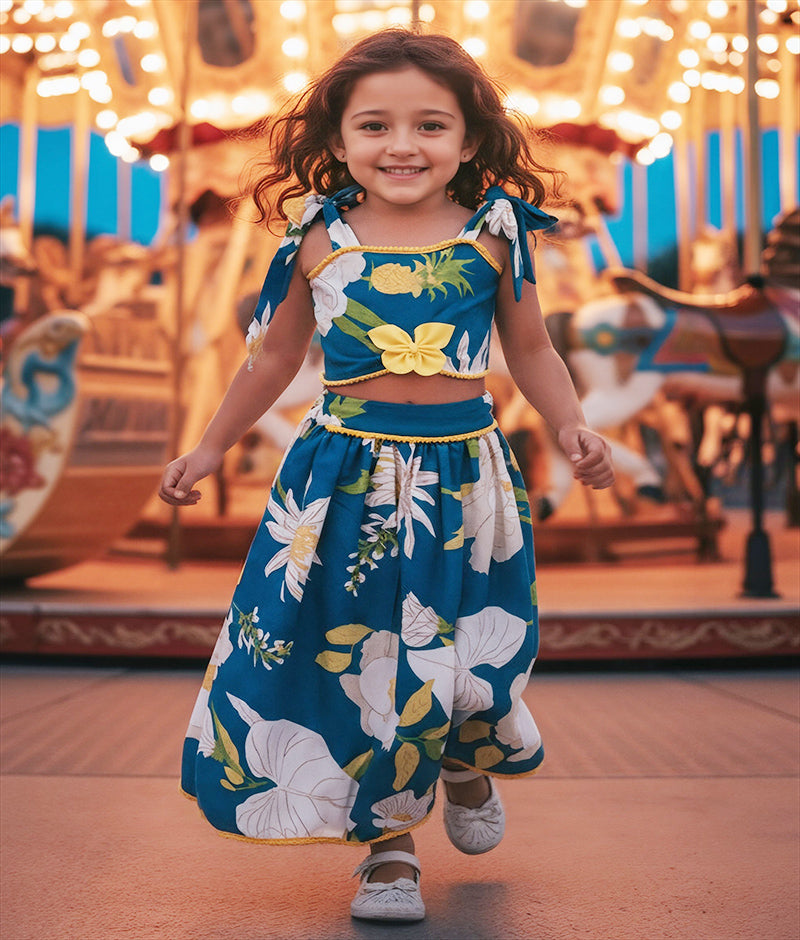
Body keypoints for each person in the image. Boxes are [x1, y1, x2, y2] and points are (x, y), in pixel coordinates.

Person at [160, 30, 614, 924]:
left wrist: (572, 427)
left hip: (463, 474)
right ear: (336, 141)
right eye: (374, 125)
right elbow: (272, 356)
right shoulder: (317, 236)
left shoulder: (496, 235)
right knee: (362, 656)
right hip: (342, 477)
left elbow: (531, 348)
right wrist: (210, 446)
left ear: (470, 141)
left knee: (470, 644)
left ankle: (464, 757)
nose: (402, 145)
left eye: (430, 126)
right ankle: (389, 854)